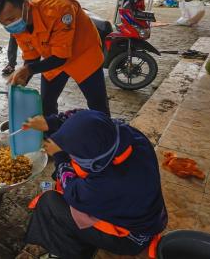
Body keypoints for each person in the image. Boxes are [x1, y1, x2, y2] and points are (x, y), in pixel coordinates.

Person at [17, 110, 168, 258]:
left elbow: (72, 191)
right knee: (67, 179)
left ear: (94, 162)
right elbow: (84, 118)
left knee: (50, 203)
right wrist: (49, 123)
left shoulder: (104, 185)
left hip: (131, 237)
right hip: (146, 213)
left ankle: (65, 251)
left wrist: (60, 155)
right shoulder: (132, 137)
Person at [0, 0, 110, 117]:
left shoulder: (60, 10)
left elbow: (61, 57)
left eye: (11, 19)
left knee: (98, 105)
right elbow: (32, 57)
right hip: (52, 58)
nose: (9, 25)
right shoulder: (18, 25)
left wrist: (28, 70)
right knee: (46, 105)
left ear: (26, 5)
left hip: (83, 55)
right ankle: (50, 134)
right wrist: (22, 79)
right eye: (4, 23)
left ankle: (108, 134)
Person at [2, 0, 49, 76]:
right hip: (16, 14)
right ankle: (11, 64)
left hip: (32, 14)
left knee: (37, 41)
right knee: (13, 38)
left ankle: (47, 61)